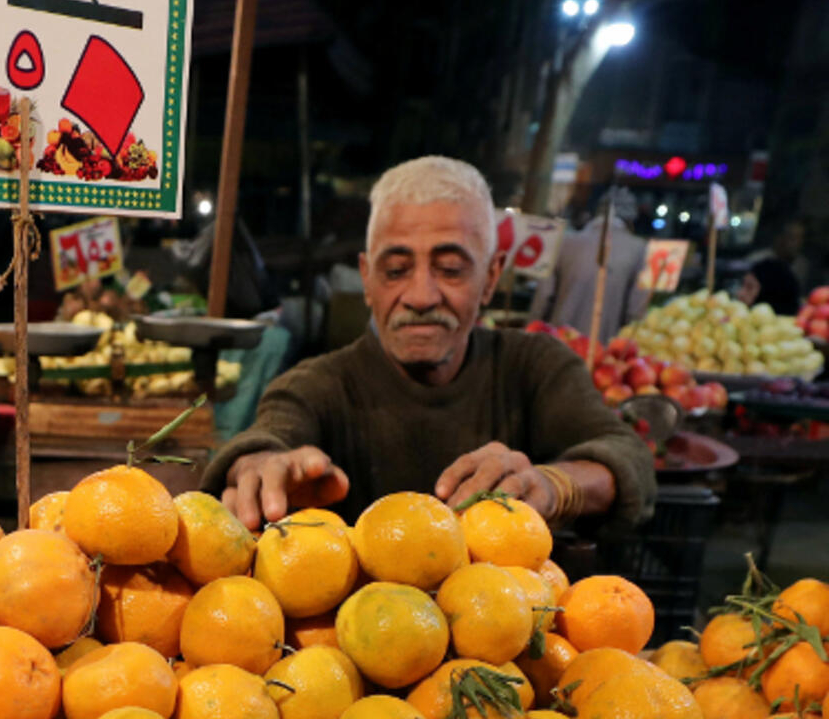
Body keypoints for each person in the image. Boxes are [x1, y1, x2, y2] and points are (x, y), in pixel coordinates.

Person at [202, 156, 656, 531]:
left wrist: (554, 485)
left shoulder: (535, 367)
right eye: (396, 270)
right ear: (366, 279)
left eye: (451, 269)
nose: (421, 296)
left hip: (506, 626)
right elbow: (271, 434)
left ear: (490, 277)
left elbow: (627, 457)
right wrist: (259, 464)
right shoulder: (317, 385)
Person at [529, 187, 649, 342]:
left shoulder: (565, 242)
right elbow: (635, 311)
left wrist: (530, 333)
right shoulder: (639, 249)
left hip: (557, 344)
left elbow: (543, 298)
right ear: (630, 219)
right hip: (604, 349)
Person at [739, 219, 804, 317]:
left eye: (750, 288)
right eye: (791, 237)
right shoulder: (756, 259)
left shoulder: (802, 265)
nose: (740, 294)